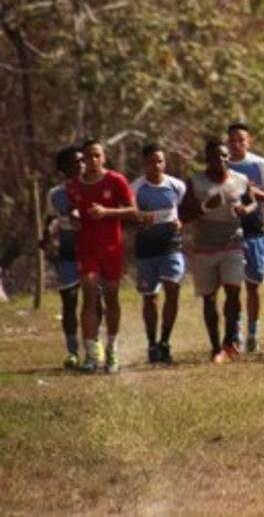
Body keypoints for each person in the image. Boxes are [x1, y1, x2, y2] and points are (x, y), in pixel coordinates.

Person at [180, 138, 255, 364]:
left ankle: (229, 340)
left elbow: (252, 203)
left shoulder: (240, 180)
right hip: (204, 245)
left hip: (233, 242)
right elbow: (183, 216)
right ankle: (215, 348)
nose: (221, 160)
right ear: (207, 159)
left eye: (224, 156)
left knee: (233, 291)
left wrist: (245, 209)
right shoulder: (196, 182)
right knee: (209, 298)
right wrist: (204, 208)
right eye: (216, 156)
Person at [65, 139, 136, 374]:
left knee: (112, 296)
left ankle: (112, 348)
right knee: (89, 294)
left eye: (97, 156)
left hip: (111, 248)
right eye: (88, 157)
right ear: (82, 160)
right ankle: (90, 354)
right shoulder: (73, 185)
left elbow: (132, 210)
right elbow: (73, 209)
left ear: (104, 158)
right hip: (86, 248)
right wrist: (75, 216)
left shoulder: (116, 180)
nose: (93, 160)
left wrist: (107, 212)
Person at [130, 143, 187, 364]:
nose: (156, 165)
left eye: (160, 161)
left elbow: (184, 211)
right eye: (151, 161)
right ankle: (152, 343)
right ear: (144, 164)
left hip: (171, 246)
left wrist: (180, 223)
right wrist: (139, 221)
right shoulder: (135, 188)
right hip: (146, 249)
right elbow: (128, 215)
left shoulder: (176, 186)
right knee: (150, 298)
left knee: (172, 288)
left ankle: (165, 341)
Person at [225, 123, 264, 354]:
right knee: (232, 287)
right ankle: (234, 334)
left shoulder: (259, 165)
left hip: (254, 231)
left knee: (253, 286)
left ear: (249, 141)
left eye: (241, 140)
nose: (236, 144)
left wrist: (257, 194)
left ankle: (253, 334)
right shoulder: (222, 165)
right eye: (232, 140)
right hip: (228, 233)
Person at [40, 146, 85, 368]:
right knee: (69, 301)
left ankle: (95, 346)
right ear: (63, 168)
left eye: (82, 161)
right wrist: (45, 237)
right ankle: (72, 351)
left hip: (91, 251)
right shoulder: (55, 194)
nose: (81, 165)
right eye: (75, 162)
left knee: (96, 302)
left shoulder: (92, 187)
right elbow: (50, 217)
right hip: (68, 253)